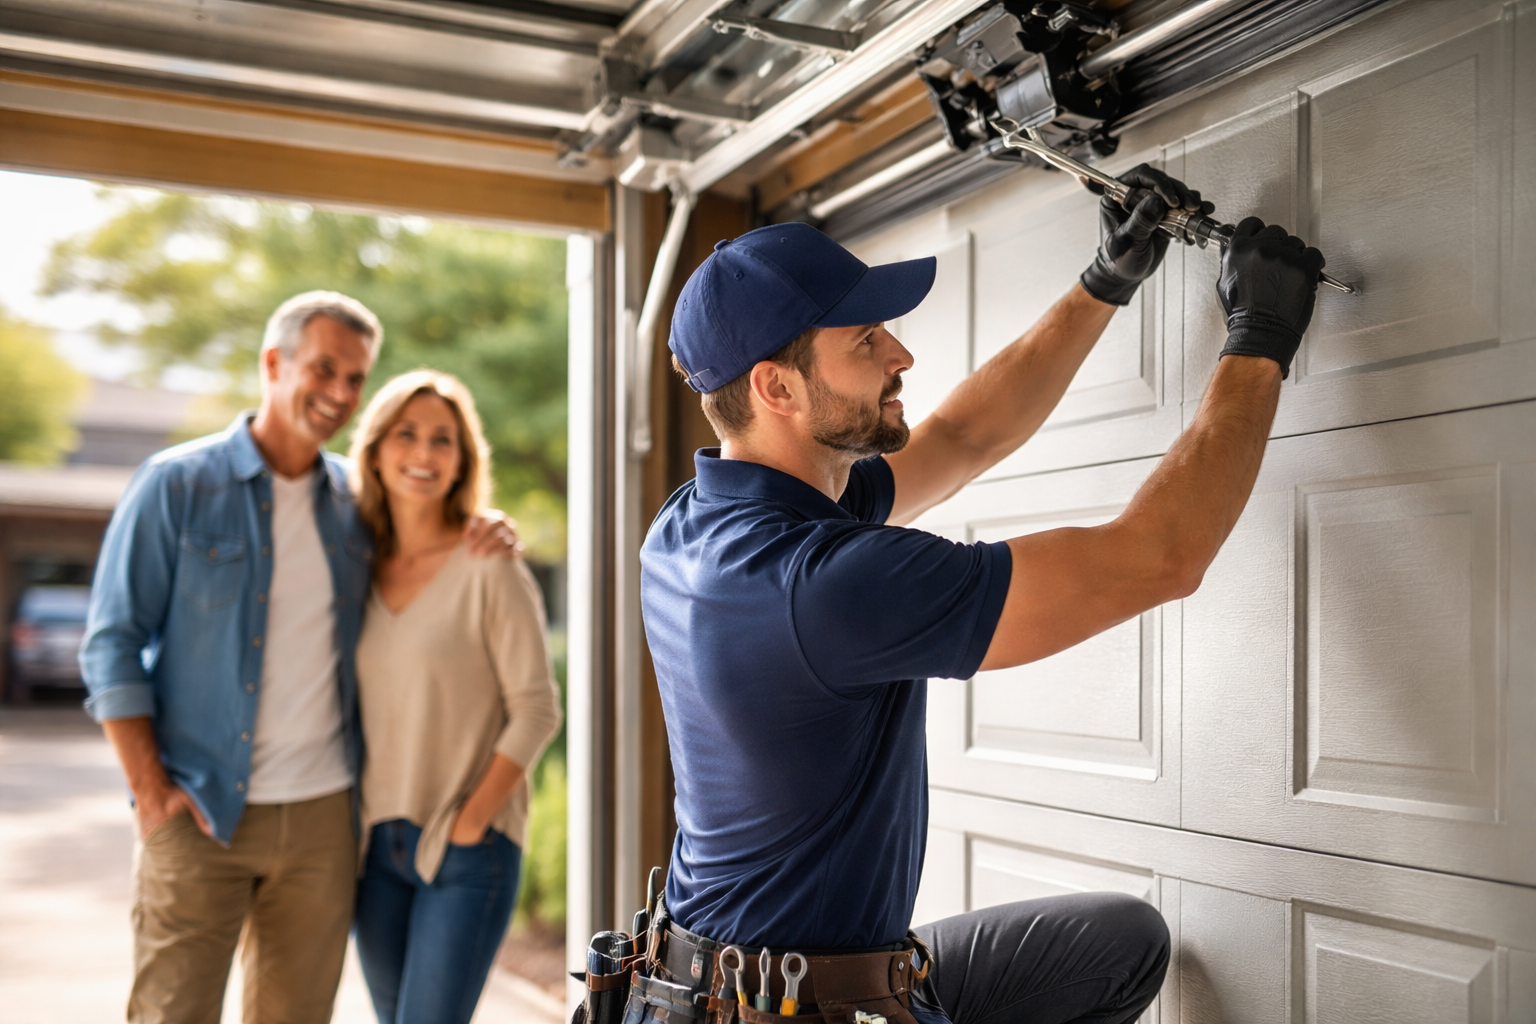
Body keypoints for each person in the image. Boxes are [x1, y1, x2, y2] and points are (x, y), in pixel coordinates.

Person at [637, 165, 1324, 1024]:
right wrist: (1258, 341)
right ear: (777, 388)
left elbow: (961, 436)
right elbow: (1160, 558)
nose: (901, 355)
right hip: (791, 1009)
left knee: (1119, 944)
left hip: (728, 979)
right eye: (865, 343)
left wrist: (1103, 282)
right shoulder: (822, 587)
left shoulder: (696, 522)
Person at [80, 292, 521, 1024]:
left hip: (323, 821)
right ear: (274, 363)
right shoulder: (178, 486)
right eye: (325, 369)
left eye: (355, 379)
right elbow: (111, 644)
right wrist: (152, 793)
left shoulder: (356, 499)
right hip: (198, 810)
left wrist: (485, 526)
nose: (341, 394)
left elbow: (428, 537)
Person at [346, 370, 562, 1024]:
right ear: (376, 449)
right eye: (406, 434)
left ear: (462, 459)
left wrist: (472, 821)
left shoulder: (488, 562)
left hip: (468, 848)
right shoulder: (350, 562)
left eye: (444, 440)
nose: (424, 452)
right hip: (370, 849)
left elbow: (537, 708)